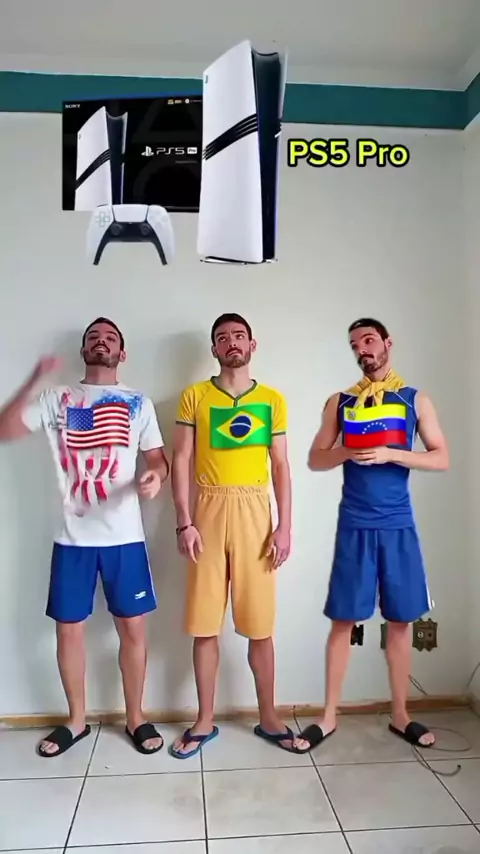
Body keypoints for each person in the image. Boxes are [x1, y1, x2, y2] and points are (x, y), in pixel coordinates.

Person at [0, 317, 169, 758]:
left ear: (122, 353)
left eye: (110, 337)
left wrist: (155, 476)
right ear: (84, 350)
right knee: (69, 631)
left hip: (125, 539)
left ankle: (136, 717)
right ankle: (76, 721)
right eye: (94, 337)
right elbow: (5, 429)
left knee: (133, 630)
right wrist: (33, 380)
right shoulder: (57, 398)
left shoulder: (138, 403)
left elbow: (158, 459)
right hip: (72, 540)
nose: (101, 341)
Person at [295, 318, 449, 753]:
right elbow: (315, 459)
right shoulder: (340, 402)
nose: (362, 349)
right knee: (343, 620)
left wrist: (391, 454)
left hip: (398, 525)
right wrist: (349, 450)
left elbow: (441, 458)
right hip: (355, 525)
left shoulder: (414, 400)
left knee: (400, 621)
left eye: (368, 340)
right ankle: (328, 716)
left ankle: (401, 715)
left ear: (386, 343)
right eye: (354, 344)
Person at [170, 313, 299, 757]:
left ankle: (269, 716)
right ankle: (204, 721)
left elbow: (280, 465)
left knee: (260, 627)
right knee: (204, 625)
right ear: (214, 349)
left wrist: (284, 526)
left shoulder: (272, 400)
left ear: (252, 344)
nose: (232, 343)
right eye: (222, 338)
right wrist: (184, 520)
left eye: (239, 336)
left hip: (255, 513)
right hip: (207, 509)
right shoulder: (195, 396)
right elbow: (181, 459)